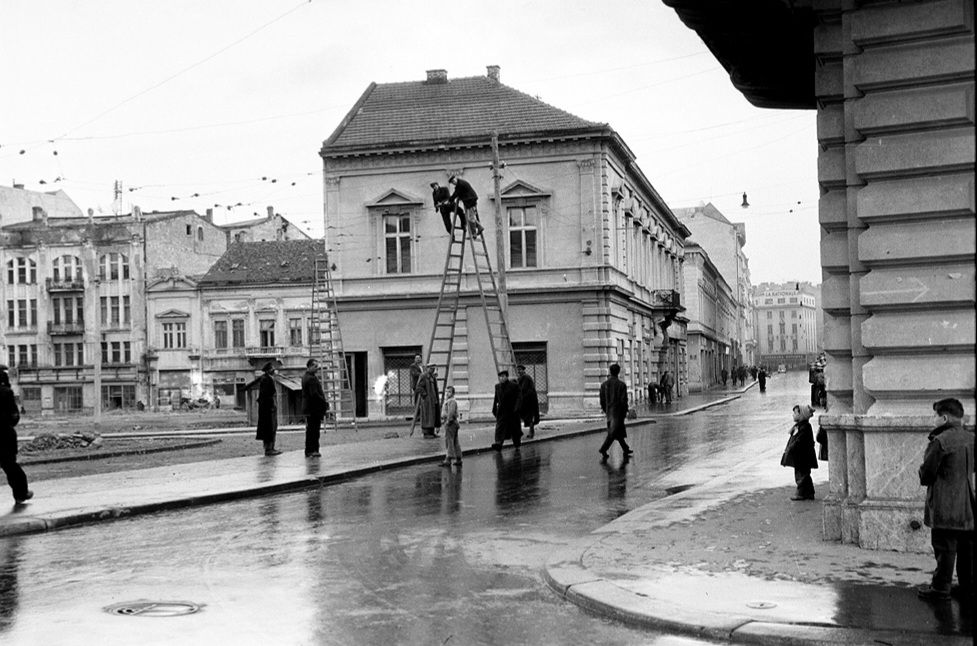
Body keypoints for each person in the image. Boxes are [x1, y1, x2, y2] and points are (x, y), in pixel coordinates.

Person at [916, 398, 974, 601]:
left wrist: (922, 472)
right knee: (967, 550)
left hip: (945, 504)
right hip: (967, 504)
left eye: (935, 416)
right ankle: (968, 587)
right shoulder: (970, 438)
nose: (933, 420)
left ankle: (941, 588)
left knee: (945, 547)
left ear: (945, 417)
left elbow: (927, 474)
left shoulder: (940, 441)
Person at [0, 369, 31, 504]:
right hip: (4, 435)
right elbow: (14, 416)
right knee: (11, 467)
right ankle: (21, 494)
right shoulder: (6, 392)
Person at [781, 404, 818, 500]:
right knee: (804, 474)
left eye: (795, 413)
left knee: (802, 475)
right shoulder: (799, 426)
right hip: (801, 456)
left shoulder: (805, 427)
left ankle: (801, 493)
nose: (793, 415)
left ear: (801, 415)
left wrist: (791, 448)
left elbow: (799, 441)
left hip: (803, 456)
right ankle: (809, 493)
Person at [599, 363, 632, 460]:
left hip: (609, 411)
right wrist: (625, 410)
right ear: (618, 372)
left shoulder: (604, 385)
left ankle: (626, 448)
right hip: (618, 412)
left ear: (610, 371)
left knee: (617, 432)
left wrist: (606, 410)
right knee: (613, 433)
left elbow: (602, 400)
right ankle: (603, 449)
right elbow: (623, 400)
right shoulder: (621, 385)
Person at [301, 358, 329, 458]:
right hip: (313, 409)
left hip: (309, 409)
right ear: (309, 366)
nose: (317, 368)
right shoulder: (311, 379)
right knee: (313, 430)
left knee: (310, 430)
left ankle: (310, 450)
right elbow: (315, 395)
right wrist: (324, 403)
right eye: (315, 366)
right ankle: (312, 450)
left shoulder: (305, 377)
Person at [252, 362, 281, 456]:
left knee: (273, 427)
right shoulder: (266, 380)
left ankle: (271, 447)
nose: (274, 370)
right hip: (268, 409)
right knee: (269, 428)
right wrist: (271, 405)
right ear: (269, 370)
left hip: (270, 408)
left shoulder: (269, 379)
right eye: (272, 369)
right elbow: (266, 395)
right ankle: (269, 449)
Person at [491, 370, 521, 450]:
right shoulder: (497, 386)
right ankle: (498, 444)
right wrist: (494, 409)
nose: (501, 378)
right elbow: (496, 398)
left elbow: (519, 397)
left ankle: (517, 444)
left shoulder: (514, 386)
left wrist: (516, 408)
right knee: (500, 428)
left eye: (503, 376)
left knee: (514, 429)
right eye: (500, 377)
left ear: (507, 377)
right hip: (502, 411)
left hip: (512, 411)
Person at [415, 364, 441, 439]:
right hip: (427, 401)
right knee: (427, 416)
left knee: (432, 416)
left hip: (433, 399)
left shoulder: (432, 377)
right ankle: (426, 433)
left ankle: (431, 432)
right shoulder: (423, 376)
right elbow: (419, 387)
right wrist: (425, 395)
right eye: (431, 369)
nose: (433, 370)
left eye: (433, 369)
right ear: (428, 368)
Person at [515, 364, 540, 440]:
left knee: (528, 417)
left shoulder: (525, 377)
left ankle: (531, 432)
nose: (519, 371)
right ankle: (520, 432)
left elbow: (523, 389)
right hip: (525, 399)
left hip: (528, 400)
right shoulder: (521, 378)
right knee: (524, 416)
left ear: (523, 370)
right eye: (518, 370)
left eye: (520, 370)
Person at [440, 386, 462, 467]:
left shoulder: (452, 401)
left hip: (451, 423)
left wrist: (448, 421)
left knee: (449, 441)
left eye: (449, 392)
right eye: (446, 391)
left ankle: (448, 459)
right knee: (455, 441)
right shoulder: (450, 401)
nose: (447, 393)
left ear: (453, 393)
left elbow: (451, 412)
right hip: (453, 423)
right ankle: (458, 458)